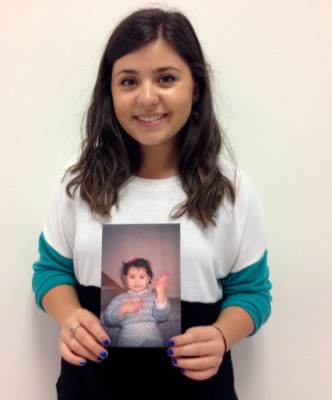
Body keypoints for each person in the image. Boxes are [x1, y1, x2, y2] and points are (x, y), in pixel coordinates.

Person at [32, 7, 272, 400]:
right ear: (109, 92)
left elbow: (252, 292)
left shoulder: (230, 190)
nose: (147, 97)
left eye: (165, 78)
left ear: (195, 88)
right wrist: (71, 317)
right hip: (90, 391)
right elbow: (50, 271)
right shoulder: (77, 181)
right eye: (128, 81)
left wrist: (222, 335)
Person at [102, 257, 171, 347]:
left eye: (141, 277)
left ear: (148, 279)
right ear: (126, 278)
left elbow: (163, 317)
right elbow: (108, 320)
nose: (137, 281)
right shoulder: (120, 298)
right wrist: (123, 308)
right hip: (126, 338)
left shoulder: (154, 297)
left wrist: (161, 295)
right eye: (132, 277)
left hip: (152, 337)